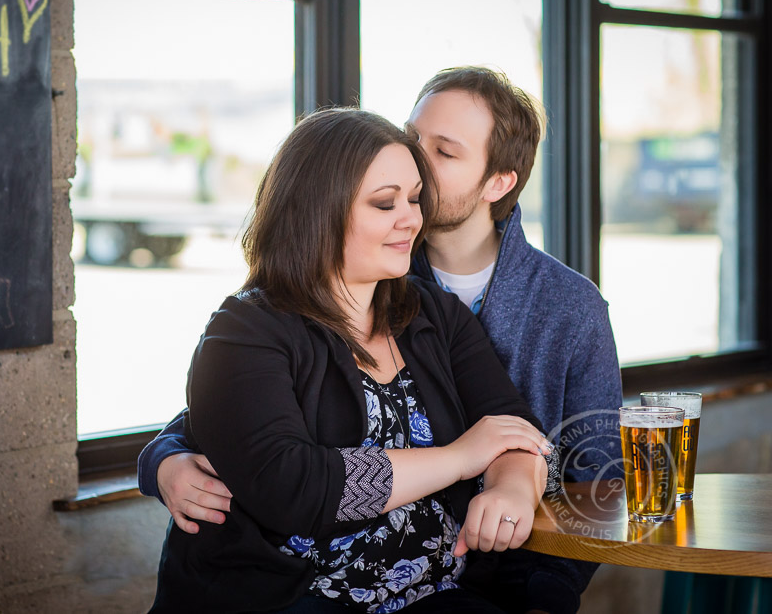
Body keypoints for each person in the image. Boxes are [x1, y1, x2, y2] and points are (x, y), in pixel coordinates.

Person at [141, 68, 622, 614]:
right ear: (322, 207)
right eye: (387, 198)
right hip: (301, 594)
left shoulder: (460, 308)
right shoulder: (263, 321)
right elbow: (249, 435)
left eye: (440, 155)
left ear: (498, 182)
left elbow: (540, 445)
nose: (409, 212)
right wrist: (163, 455)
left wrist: (518, 504)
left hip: (459, 583)